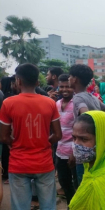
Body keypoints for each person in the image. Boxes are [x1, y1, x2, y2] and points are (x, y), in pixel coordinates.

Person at [0, 63, 62, 210]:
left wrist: (13, 142)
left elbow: (3, 137)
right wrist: (45, 141)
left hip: (18, 163)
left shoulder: (9, 103)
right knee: (48, 206)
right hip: (44, 163)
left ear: (18, 81)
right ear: (37, 82)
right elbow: (58, 134)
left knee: (20, 207)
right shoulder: (49, 102)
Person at [68, 64, 105, 186]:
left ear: (75, 79)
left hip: (84, 149)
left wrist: (74, 151)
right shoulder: (93, 97)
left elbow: (85, 115)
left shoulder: (77, 98)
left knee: (84, 184)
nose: (68, 79)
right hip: (96, 146)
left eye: (70, 76)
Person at [55, 74, 78, 205]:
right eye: (61, 86)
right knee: (64, 183)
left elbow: (81, 130)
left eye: (67, 87)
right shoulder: (56, 104)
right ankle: (71, 205)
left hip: (74, 153)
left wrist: (74, 152)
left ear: (73, 88)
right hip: (60, 151)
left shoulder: (77, 104)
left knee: (77, 183)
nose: (64, 89)